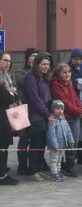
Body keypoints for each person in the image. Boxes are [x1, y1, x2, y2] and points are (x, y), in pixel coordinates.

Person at [22, 54, 53, 181]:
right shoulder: (30, 79)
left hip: (44, 116)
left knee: (41, 145)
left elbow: (47, 99)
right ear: (37, 65)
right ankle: (33, 171)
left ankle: (39, 169)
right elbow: (35, 100)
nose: (46, 67)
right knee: (35, 145)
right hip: (35, 117)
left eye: (48, 64)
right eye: (43, 64)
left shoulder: (44, 79)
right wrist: (47, 114)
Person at [50, 63, 82, 177]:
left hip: (74, 116)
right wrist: (78, 111)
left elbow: (75, 97)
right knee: (62, 142)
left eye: (69, 72)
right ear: (58, 73)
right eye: (64, 72)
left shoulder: (69, 83)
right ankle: (60, 166)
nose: (67, 74)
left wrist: (81, 107)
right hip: (64, 117)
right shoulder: (55, 84)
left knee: (74, 141)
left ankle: (70, 165)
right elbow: (64, 102)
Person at [0, 51, 19, 185]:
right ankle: (2, 175)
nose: (8, 63)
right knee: (2, 144)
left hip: (5, 115)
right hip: (1, 117)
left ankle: (2, 170)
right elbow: (7, 97)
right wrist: (12, 93)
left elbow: (14, 95)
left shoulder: (6, 77)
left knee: (5, 143)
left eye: (9, 60)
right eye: (5, 60)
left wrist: (12, 93)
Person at [46, 100, 75, 182]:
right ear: (52, 109)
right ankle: (54, 174)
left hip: (62, 144)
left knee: (59, 160)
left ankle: (58, 172)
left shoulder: (63, 120)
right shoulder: (52, 121)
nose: (60, 111)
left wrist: (71, 140)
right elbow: (51, 134)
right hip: (55, 146)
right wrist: (54, 145)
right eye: (57, 109)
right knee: (54, 160)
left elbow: (68, 131)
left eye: (61, 109)